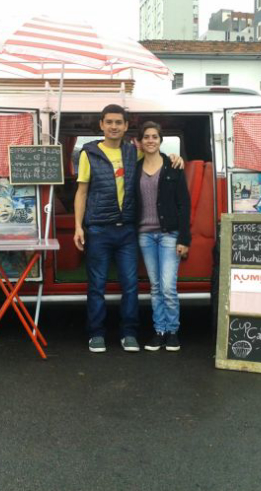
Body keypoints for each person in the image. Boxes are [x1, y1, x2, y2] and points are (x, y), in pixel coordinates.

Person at [73, 105, 183, 353]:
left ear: (125, 127)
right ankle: (97, 334)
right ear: (101, 124)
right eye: (109, 122)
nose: (114, 126)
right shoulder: (88, 153)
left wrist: (175, 158)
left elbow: (156, 156)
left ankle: (129, 333)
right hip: (98, 229)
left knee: (130, 285)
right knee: (97, 285)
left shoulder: (134, 151)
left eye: (119, 122)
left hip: (128, 231)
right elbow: (81, 192)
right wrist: (78, 227)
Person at [136, 122, 191, 352]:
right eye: (146, 137)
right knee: (155, 286)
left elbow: (184, 204)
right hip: (145, 236)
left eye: (155, 137)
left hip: (170, 235)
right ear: (140, 141)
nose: (150, 140)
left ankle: (173, 332)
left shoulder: (173, 166)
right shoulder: (135, 168)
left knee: (168, 286)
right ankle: (159, 331)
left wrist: (184, 239)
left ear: (160, 140)